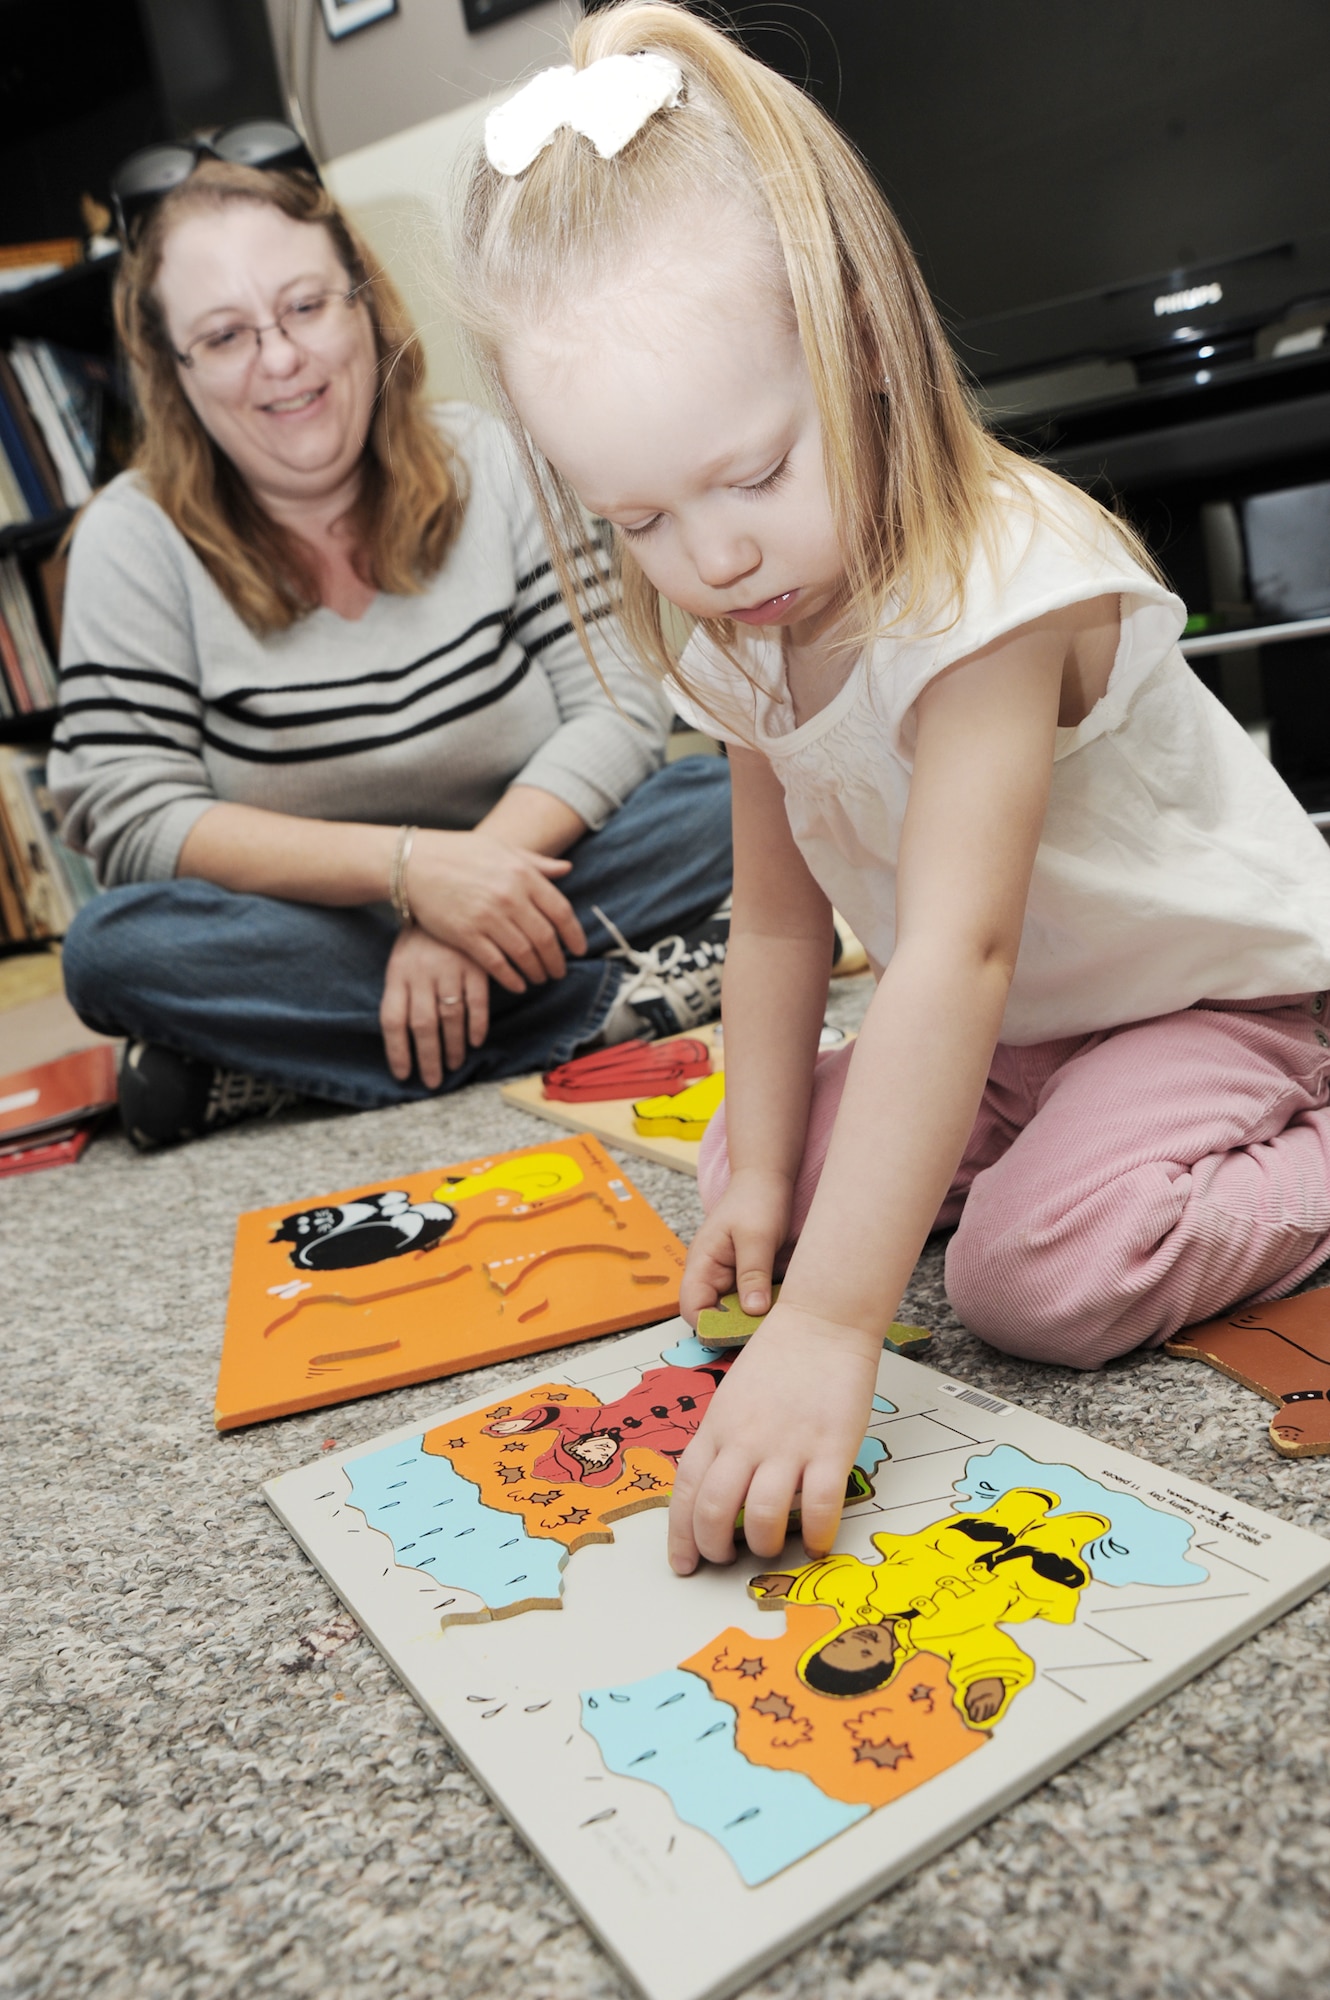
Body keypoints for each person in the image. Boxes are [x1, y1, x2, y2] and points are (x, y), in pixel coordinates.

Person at [452, 2, 1330, 1577]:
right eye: (637, 518)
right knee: (745, 1173)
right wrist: (777, 1172)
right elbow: (781, 931)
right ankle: (980, 1156)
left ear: (855, 341)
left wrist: (841, 1322)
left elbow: (949, 955)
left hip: (1203, 998)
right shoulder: (735, 621)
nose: (709, 560)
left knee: (1033, 1277)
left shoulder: (991, 583)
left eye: (753, 475)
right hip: (1019, 1035)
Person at [51, 134, 732, 1149]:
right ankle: (619, 1003)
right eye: (227, 335)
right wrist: (414, 876)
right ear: (174, 371)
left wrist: (476, 884)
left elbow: (619, 700)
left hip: (542, 869)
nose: (280, 359)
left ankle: (269, 1071)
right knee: (114, 948)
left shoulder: (496, 459)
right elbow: (128, 810)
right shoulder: (131, 535)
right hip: (312, 920)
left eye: (305, 306)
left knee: (725, 802)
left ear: (363, 301)